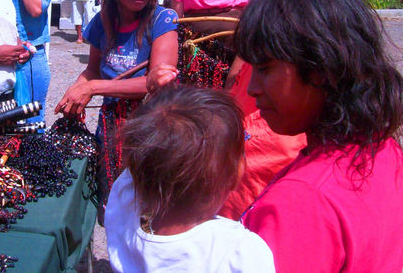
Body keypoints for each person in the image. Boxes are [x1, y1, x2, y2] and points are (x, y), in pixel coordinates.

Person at [234, 0, 403, 272]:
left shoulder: (301, 201)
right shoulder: (384, 151)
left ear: (318, 67)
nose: (252, 88)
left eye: (264, 69)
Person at [55, 0, 178, 211]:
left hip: (150, 127)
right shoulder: (102, 21)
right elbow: (94, 68)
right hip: (111, 125)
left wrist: (94, 87)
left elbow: (156, 82)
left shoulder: (163, 20)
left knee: (148, 209)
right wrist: (78, 88)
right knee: (113, 207)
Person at [105, 85, 275, 272]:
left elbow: (137, 164)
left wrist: (154, 110)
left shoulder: (124, 206)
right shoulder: (239, 251)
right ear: (237, 173)